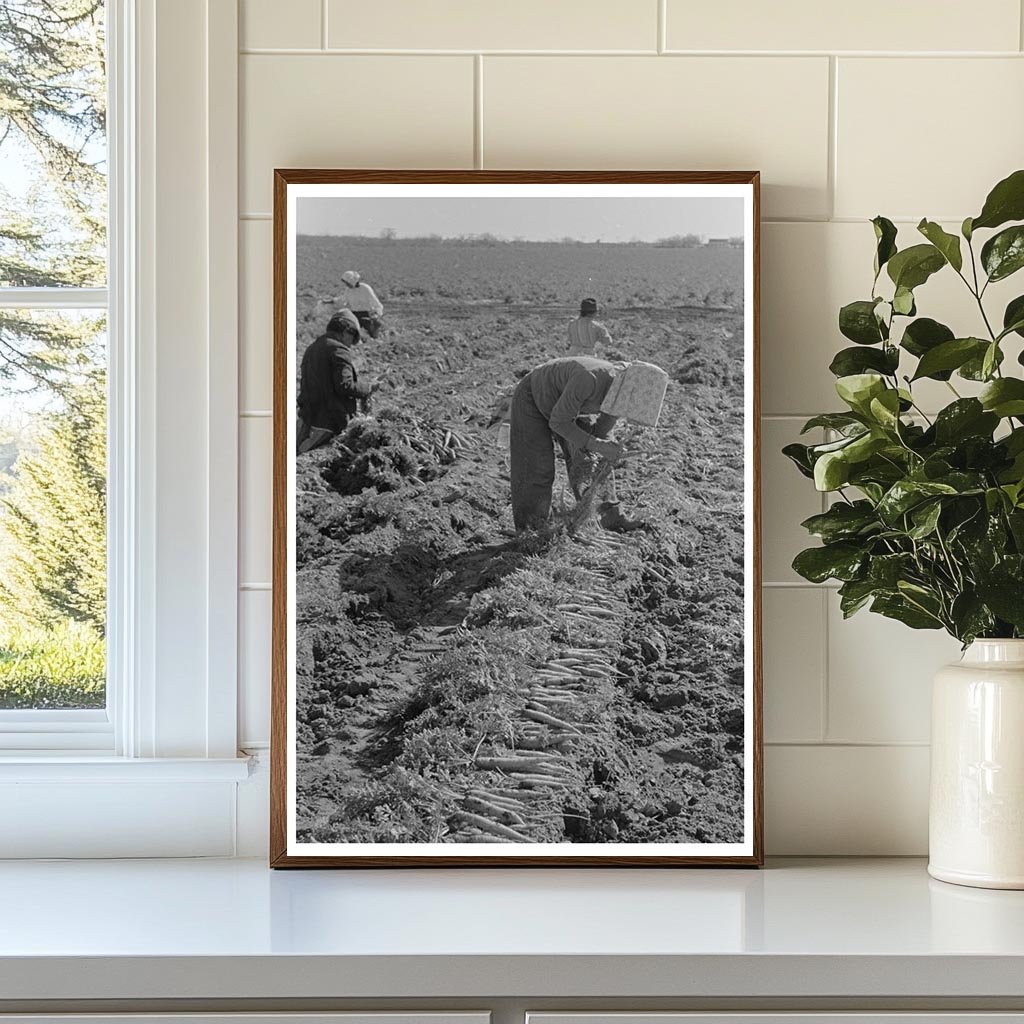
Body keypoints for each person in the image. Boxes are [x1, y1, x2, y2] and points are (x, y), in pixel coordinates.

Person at [509, 356, 645, 533]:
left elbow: (601, 432)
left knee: (590, 461)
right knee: (537, 466)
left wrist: (605, 449)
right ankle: (532, 530)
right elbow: (559, 422)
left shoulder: (622, 394)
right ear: (624, 388)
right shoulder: (589, 380)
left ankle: (611, 518)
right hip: (533, 397)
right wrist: (598, 444)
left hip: (569, 406)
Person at [296, 310, 377, 454]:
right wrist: (368, 388)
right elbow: (345, 386)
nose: (351, 345)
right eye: (352, 339)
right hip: (328, 420)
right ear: (346, 332)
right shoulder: (339, 350)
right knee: (300, 460)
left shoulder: (312, 348)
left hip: (307, 417)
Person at [331, 270, 384, 338]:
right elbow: (343, 300)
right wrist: (332, 301)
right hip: (354, 315)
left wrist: (377, 315)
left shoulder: (365, 288)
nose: (346, 284)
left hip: (366, 315)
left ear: (352, 281)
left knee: (369, 332)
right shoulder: (348, 290)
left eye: (347, 282)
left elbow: (376, 304)